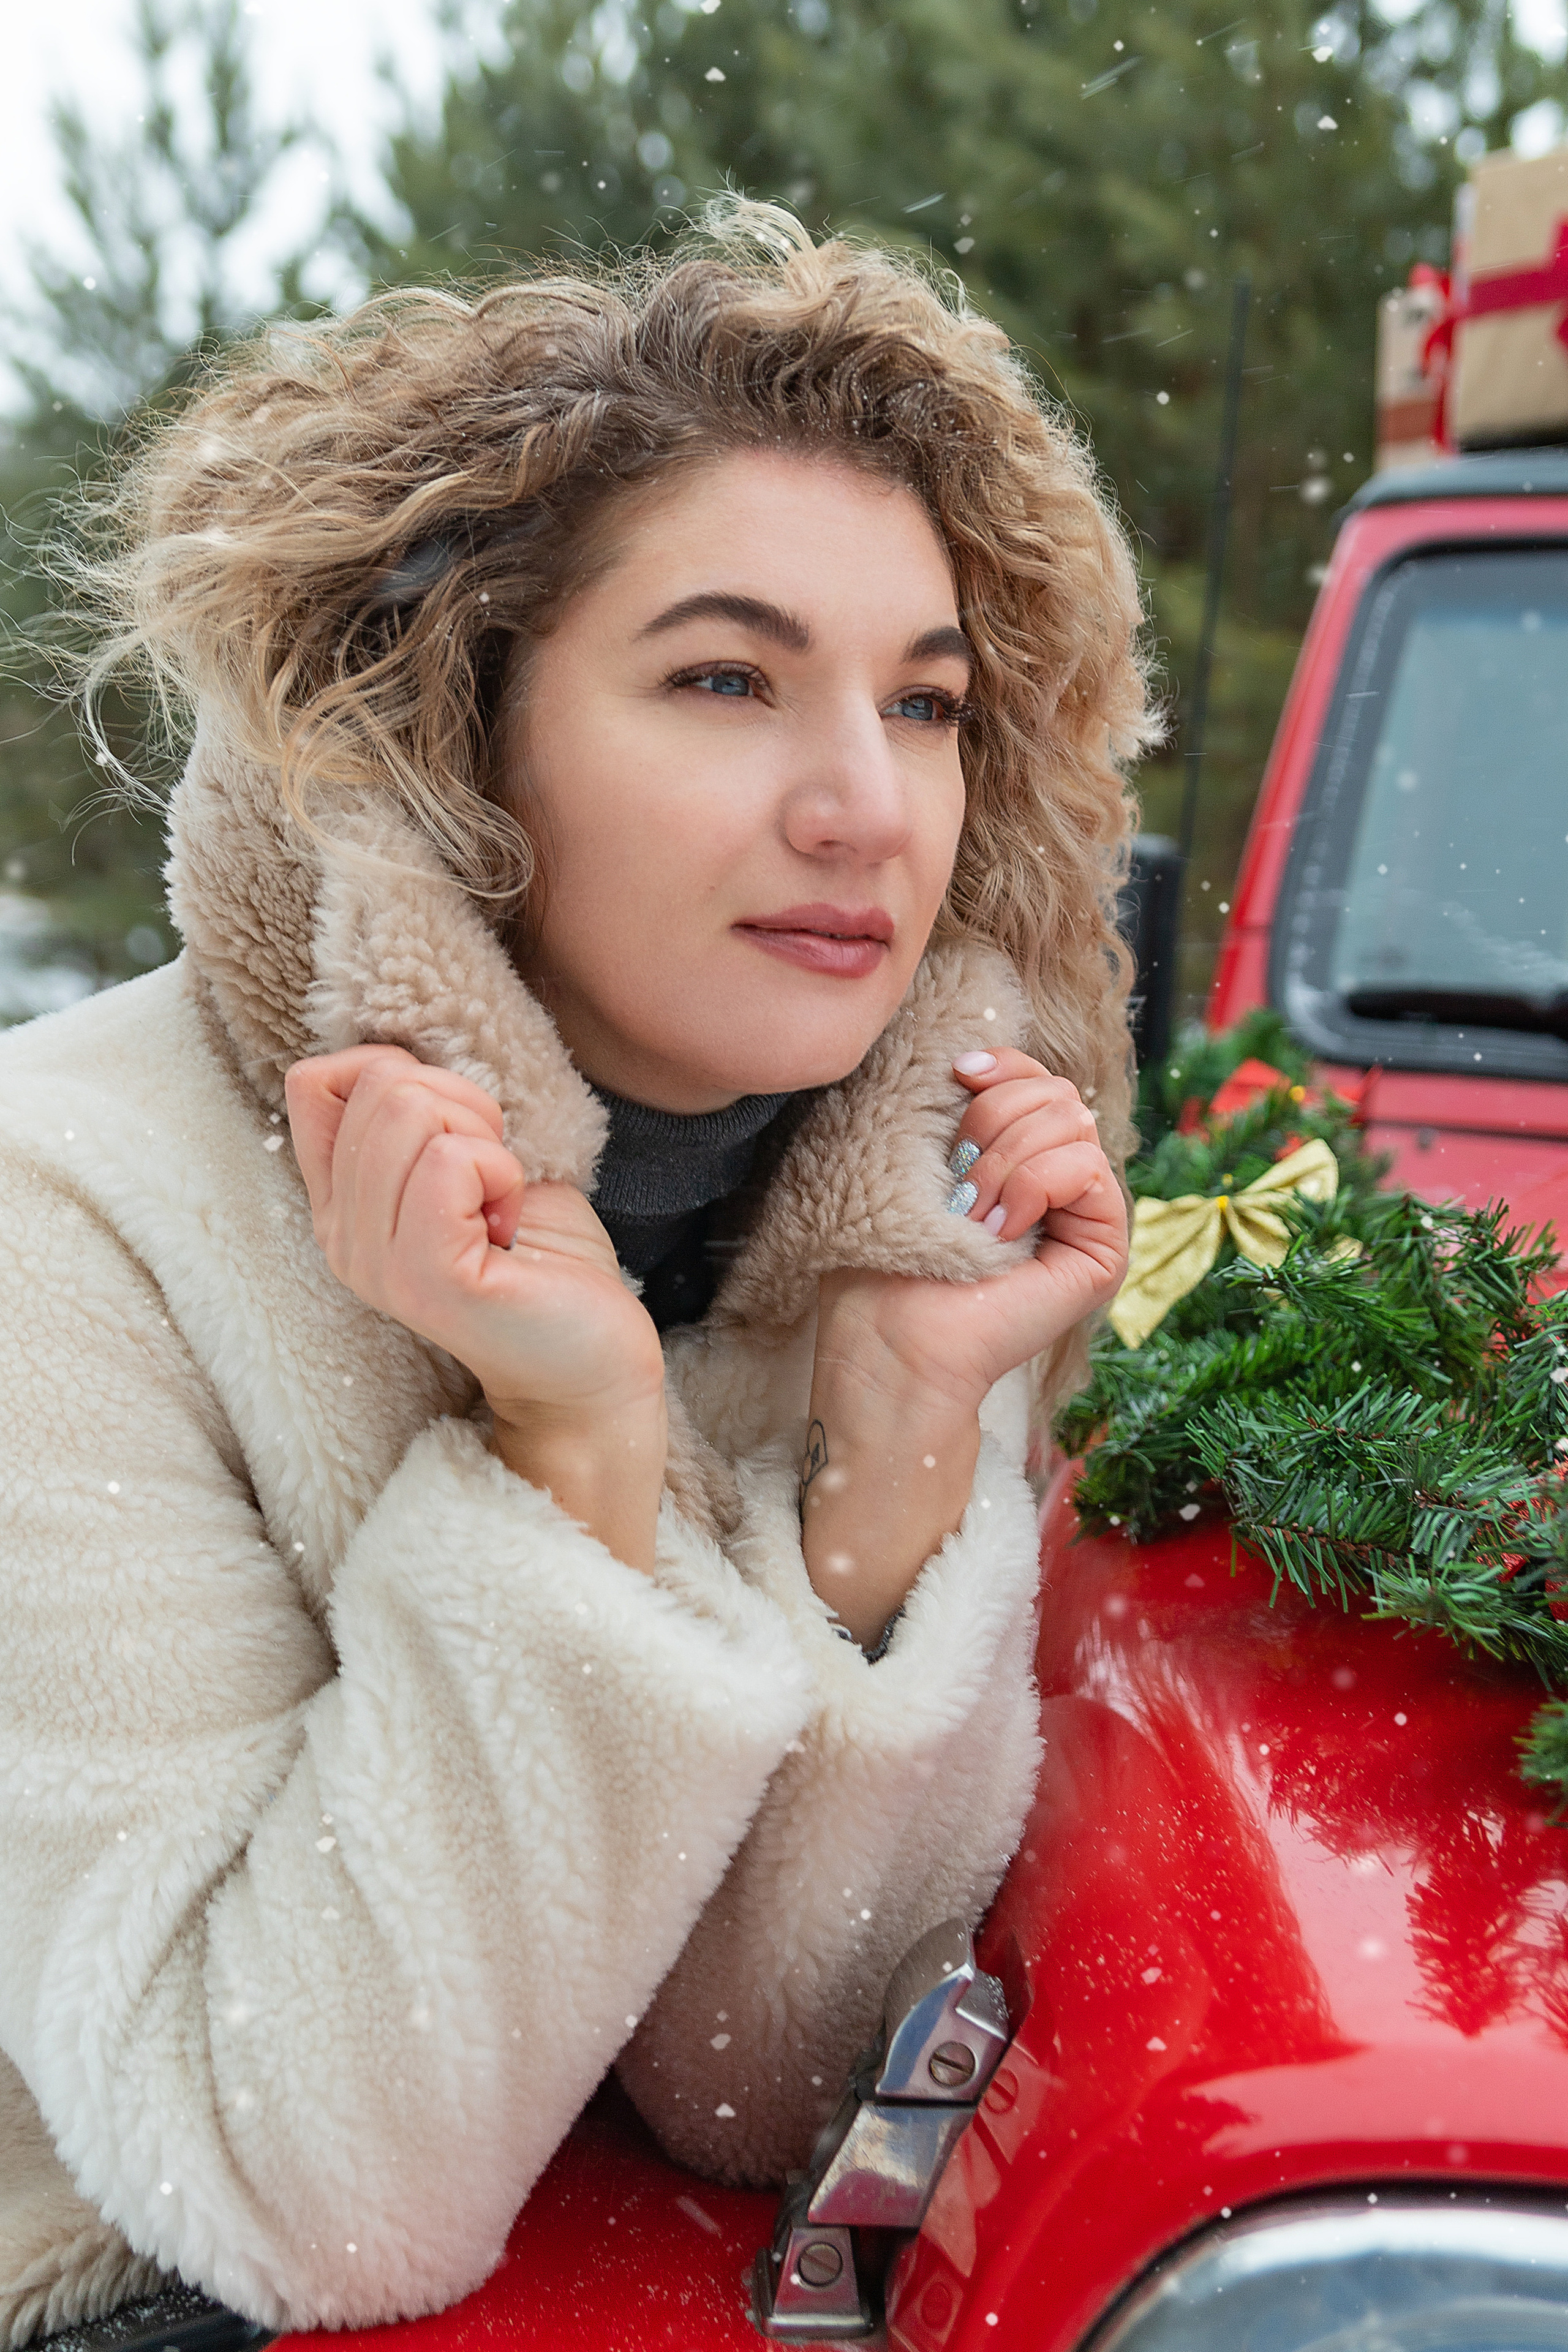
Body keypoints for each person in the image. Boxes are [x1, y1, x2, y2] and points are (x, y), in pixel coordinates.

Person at [0, 204, 1148, 2345]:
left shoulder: (923, 1185)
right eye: (727, 678)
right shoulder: (61, 1204)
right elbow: (296, 2190)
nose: (863, 810)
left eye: (925, 705)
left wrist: (891, 1461)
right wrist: (577, 1455)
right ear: (466, 722)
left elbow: (764, 2089)